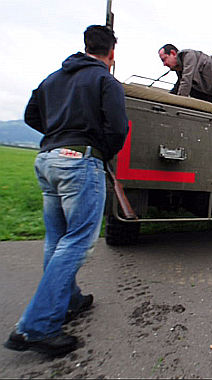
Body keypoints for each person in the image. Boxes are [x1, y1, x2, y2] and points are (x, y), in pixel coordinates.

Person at [4, 25, 129, 356]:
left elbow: (31, 114)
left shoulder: (53, 79)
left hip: (46, 159)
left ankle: (69, 300)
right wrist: (96, 147)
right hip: (80, 162)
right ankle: (37, 327)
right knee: (76, 242)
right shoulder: (106, 81)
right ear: (111, 53)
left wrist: (59, 134)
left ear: (86, 46)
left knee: (57, 240)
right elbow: (118, 128)